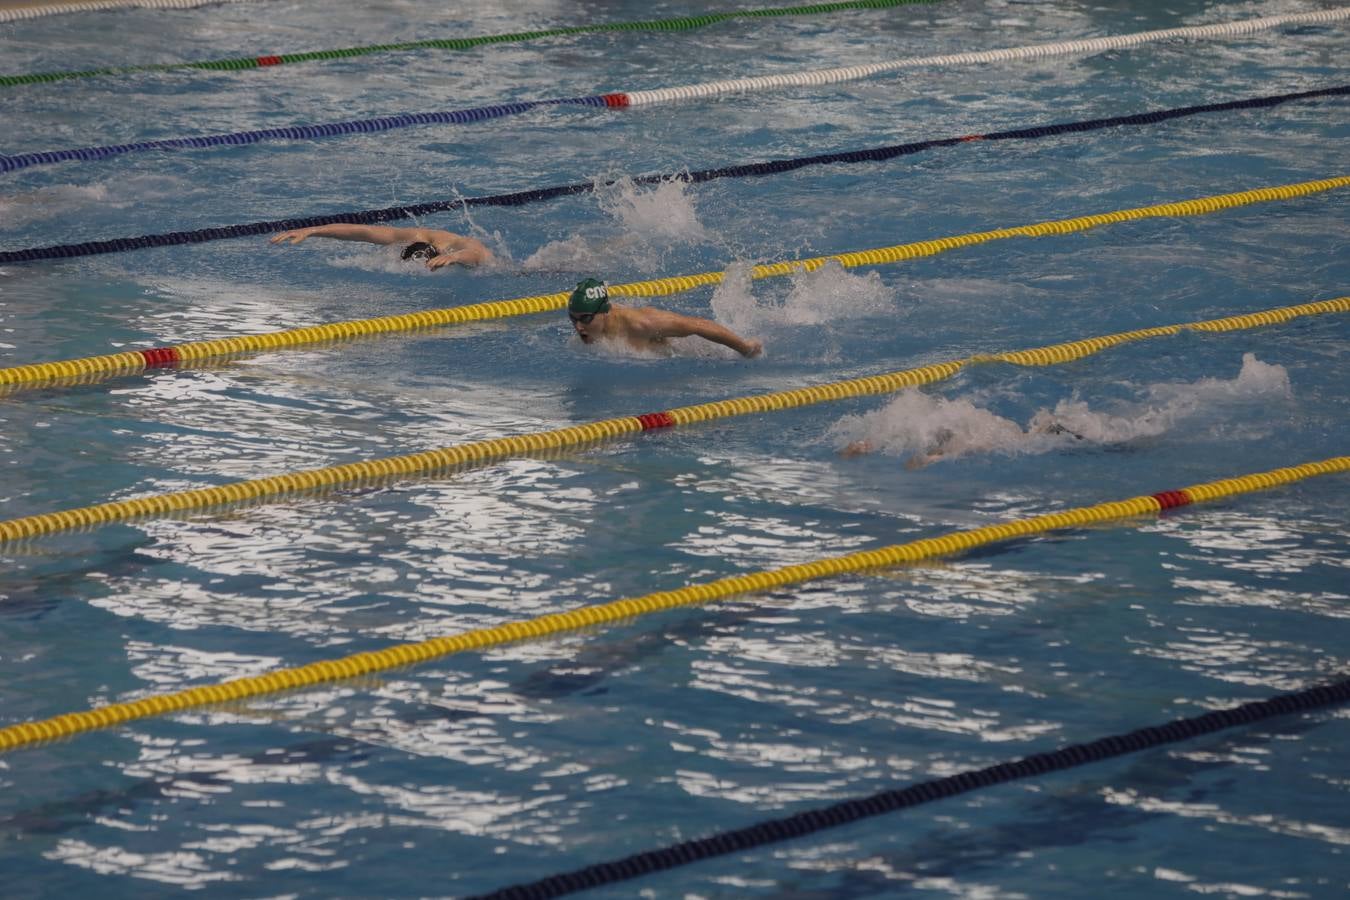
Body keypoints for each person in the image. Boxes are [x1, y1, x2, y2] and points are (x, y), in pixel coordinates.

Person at [566, 278, 763, 358]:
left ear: (604, 311)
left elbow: (698, 325)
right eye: (573, 319)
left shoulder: (642, 324)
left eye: (585, 318)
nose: (579, 327)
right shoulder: (591, 330)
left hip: (691, 353)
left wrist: (745, 348)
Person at [270, 223, 492, 269]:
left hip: (513, 271)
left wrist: (454, 258)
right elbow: (364, 232)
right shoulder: (416, 235)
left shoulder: (456, 244)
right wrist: (311, 231)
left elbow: (475, 255)